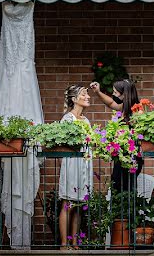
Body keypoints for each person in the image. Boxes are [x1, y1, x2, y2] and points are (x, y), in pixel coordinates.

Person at [89, 78, 142, 192]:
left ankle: (128, 209)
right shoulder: (125, 108)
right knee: (117, 185)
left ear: (124, 93)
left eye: (115, 92)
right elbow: (110, 103)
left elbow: (139, 133)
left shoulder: (137, 111)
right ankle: (119, 208)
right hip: (122, 156)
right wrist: (98, 92)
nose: (113, 94)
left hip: (132, 158)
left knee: (127, 188)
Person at [58, 85, 93, 251]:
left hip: (84, 165)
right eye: (84, 94)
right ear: (74, 99)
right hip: (72, 165)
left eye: (87, 94)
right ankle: (64, 244)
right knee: (68, 204)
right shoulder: (67, 119)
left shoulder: (86, 121)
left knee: (78, 205)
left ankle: (75, 243)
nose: (87, 97)